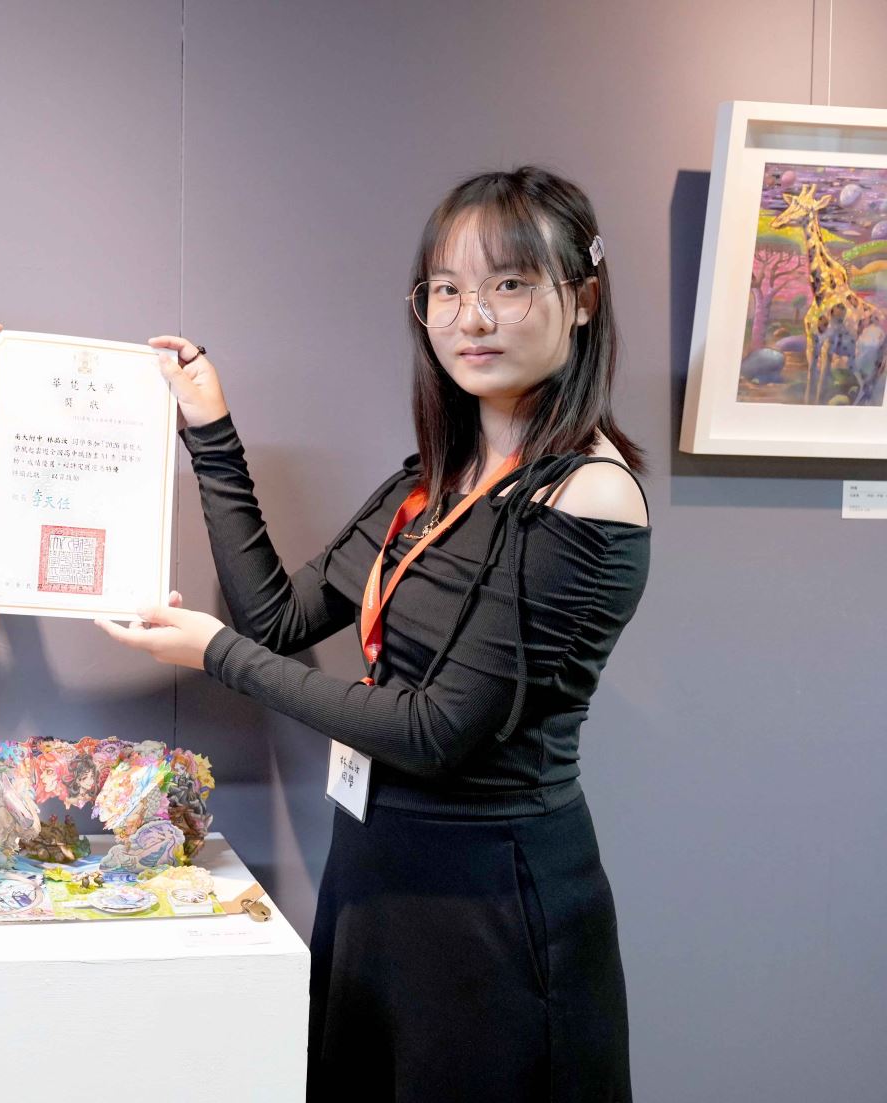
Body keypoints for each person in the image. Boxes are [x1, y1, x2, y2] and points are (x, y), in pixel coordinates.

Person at [100, 166, 648, 1100]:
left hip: (490, 909)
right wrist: (210, 428)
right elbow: (277, 619)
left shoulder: (587, 496)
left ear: (583, 299)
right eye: (447, 289)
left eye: (511, 283)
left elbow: (434, 730)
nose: (473, 317)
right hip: (374, 882)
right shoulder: (431, 481)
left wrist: (215, 654)